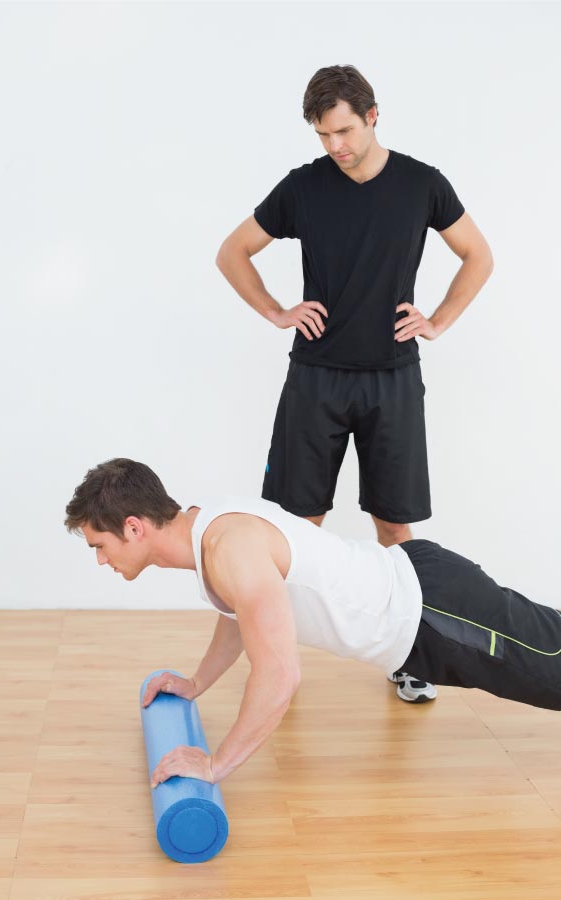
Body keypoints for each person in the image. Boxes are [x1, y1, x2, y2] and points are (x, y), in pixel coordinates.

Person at [216, 65, 494, 702]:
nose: (335, 145)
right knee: (294, 527)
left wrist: (440, 319)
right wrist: (276, 310)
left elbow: (478, 254)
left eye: (343, 130)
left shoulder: (421, 184)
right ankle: (275, 665)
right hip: (315, 377)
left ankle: (410, 657)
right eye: (322, 135)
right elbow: (233, 251)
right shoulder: (303, 189)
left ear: (373, 116)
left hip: (393, 380)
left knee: (394, 527)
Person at [65, 459, 561, 787]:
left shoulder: (229, 547)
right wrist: (197, 683)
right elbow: (242, 613)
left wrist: (216, 766)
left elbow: (279, 674)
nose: (101, 560)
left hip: (432, 611)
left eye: (99, 546)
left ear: (133, 527)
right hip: (422, 597)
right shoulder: (210, 531)